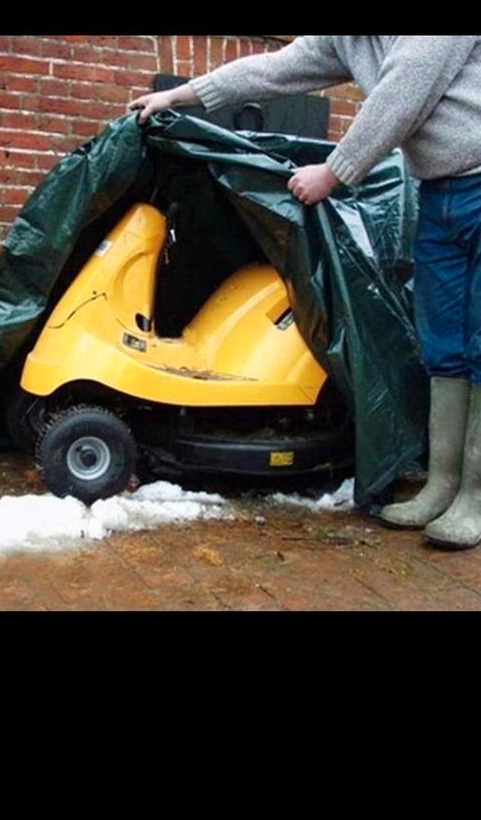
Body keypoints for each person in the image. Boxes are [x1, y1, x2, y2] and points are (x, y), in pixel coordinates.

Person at [129, 35, 481, 550]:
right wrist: (179, 96)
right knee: (443, 343)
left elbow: (403, 92)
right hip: (438, 192)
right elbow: (277, 69)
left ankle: (475, 496)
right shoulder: (349, 38)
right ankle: (442, 485)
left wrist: (334, 173)